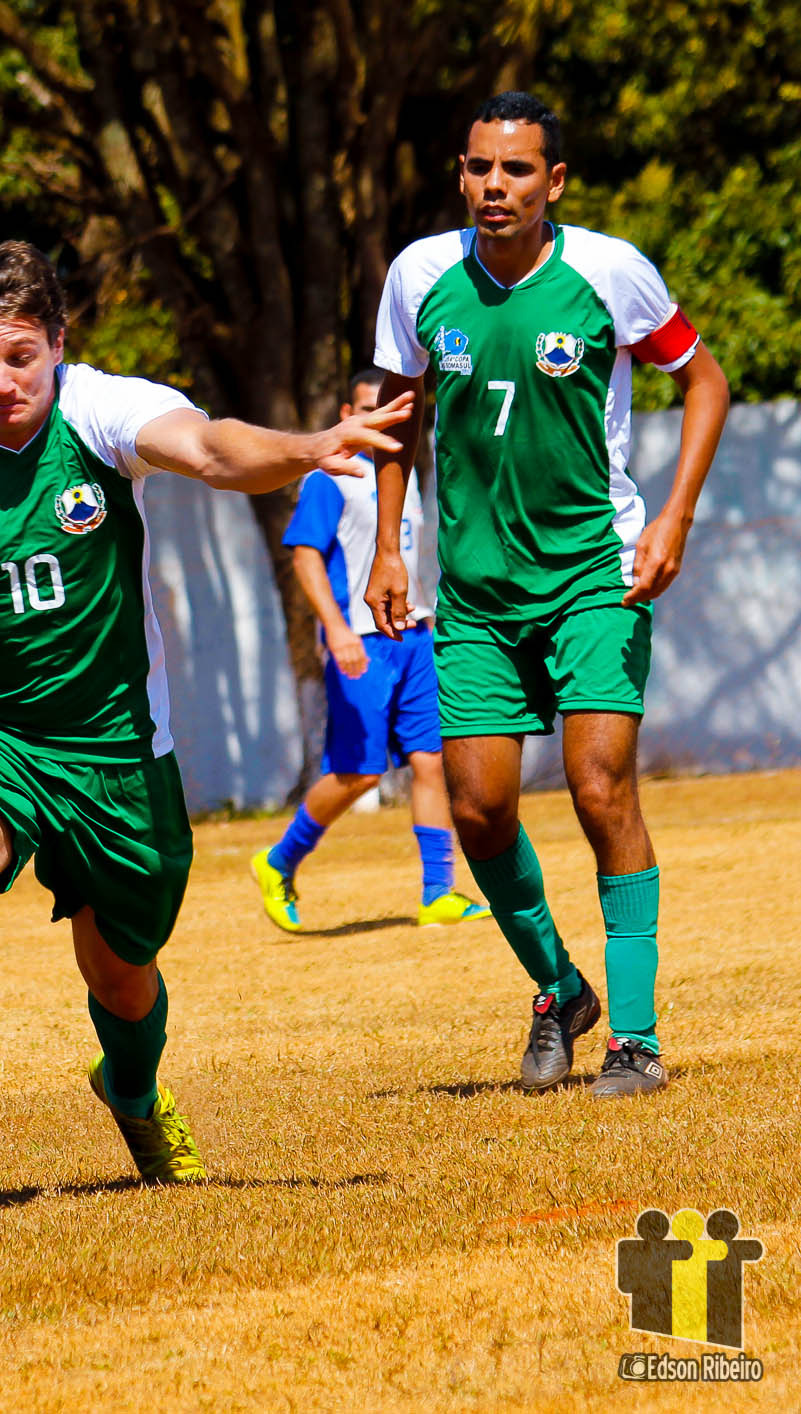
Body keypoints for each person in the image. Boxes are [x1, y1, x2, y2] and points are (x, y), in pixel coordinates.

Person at [0, 242, 412, 1233]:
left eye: (21, 355)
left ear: (59, 343)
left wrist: (310, 446)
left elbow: (214, 449)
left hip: (114, 751)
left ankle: (135, 1094)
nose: (1, 381)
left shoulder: (101, 409)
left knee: (122, 973)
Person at [365, 92, 729, 1097]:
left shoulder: (610, 272)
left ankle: (638, 1040)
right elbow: (397, 414)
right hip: (475, 594)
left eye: (517, 170)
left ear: (554, 182)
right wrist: (394, 546)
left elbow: (706, 381)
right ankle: (561, 989)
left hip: (593, 575)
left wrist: (676, 519)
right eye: (480, 167)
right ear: (460, 174)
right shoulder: (420, 276)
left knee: (599, 787)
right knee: (479, 810)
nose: (496, 186)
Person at [250, 367, 491, 930]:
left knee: (432, 761)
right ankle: (278, 860)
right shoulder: (330, 478)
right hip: (360, 639)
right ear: (345, 417)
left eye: (386, 409)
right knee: (359, 772)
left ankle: (439, 893)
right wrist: (335, 631)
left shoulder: (401, 473)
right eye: (363, 409)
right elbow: (306, 556)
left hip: (415, 636)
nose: (375, 419)